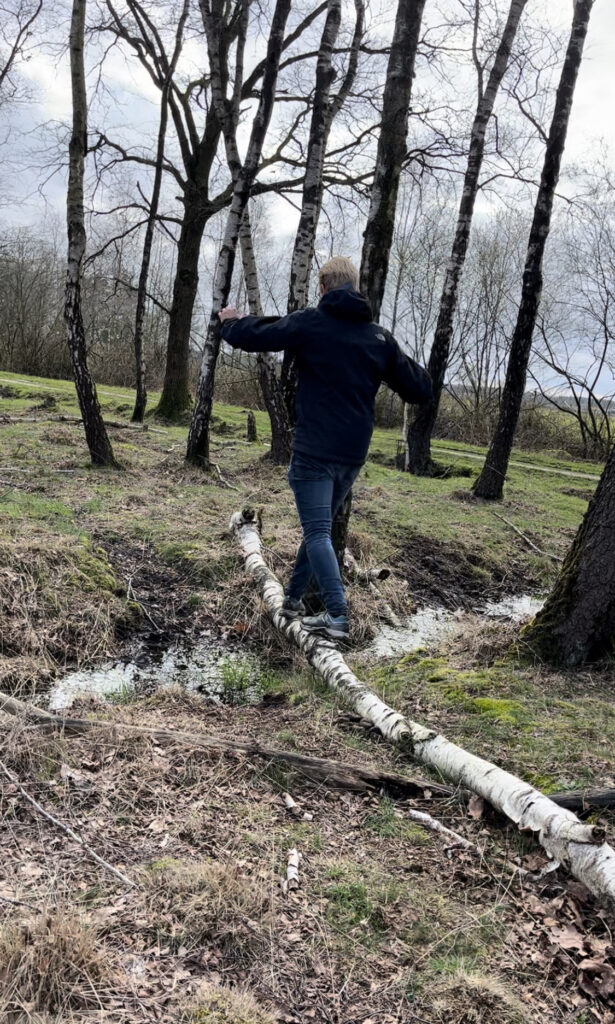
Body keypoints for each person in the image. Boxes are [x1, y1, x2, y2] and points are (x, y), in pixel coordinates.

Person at [219, 256, 432, 640]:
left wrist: (230, 322)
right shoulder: (378, 338)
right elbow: (420, 388)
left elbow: (259, 335)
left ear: (323, 287)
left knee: (317, 532)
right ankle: (294, 600)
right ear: (355, 287)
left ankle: (337, 615)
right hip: (352, 455)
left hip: (315, 450)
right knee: (317, 530)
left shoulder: (311, 323)